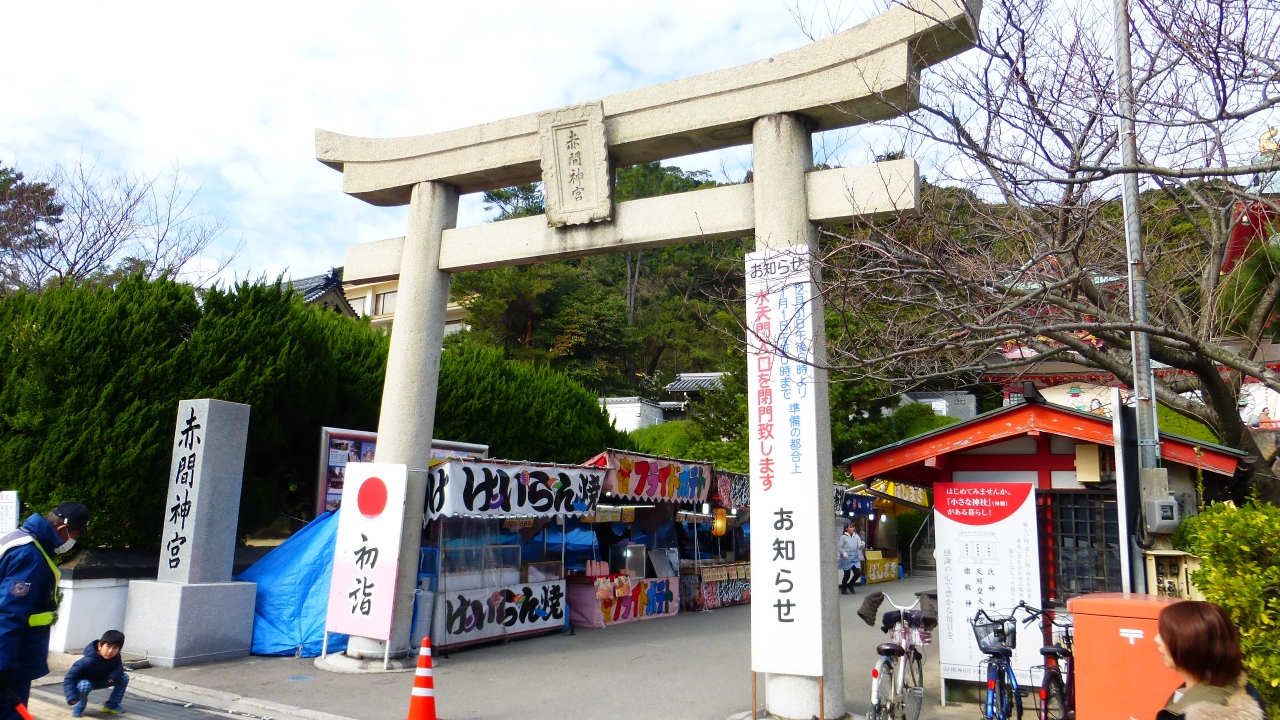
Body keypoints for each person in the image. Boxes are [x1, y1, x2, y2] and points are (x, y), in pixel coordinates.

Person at [0, 501, 90, 720]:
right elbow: (8, 614)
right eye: (75, 535)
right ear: (63, 528)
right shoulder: (30, 556)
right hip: (13, 660)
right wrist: (3, 667)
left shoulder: (17, 538)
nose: (73, 541)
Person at [1154, 600, 1268, 720]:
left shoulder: (1193, 714)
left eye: (1164, 636)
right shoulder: (1242, 689)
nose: (1157, 639)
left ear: (1190, 645)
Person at [64, 630, 128, 717]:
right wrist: (71, 696)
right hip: (87, 684)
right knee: (84, 685)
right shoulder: (87, 661)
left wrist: (113, 676)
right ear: (99, 646)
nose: (110, 651)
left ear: (119, 650)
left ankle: (112, 705)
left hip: (104, 680)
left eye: (115, 648)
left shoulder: (116, 657)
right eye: (108, 646)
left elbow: (118, 667)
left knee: (124, 677)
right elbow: (69, 678)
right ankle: (80, 705)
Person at [837, 522, 864, 595]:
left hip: (854, 557)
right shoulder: (843, 537)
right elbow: (839, 547)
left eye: (853, 527)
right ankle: (843, 589)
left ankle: (850, 584)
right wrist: (843, 552)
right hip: (846, 558)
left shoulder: (856, 536)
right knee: (847, 574)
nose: (853, 528)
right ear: (846, 528)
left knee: (858, 573)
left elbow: (859, 547)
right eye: (851, 527)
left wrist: (862, 545)